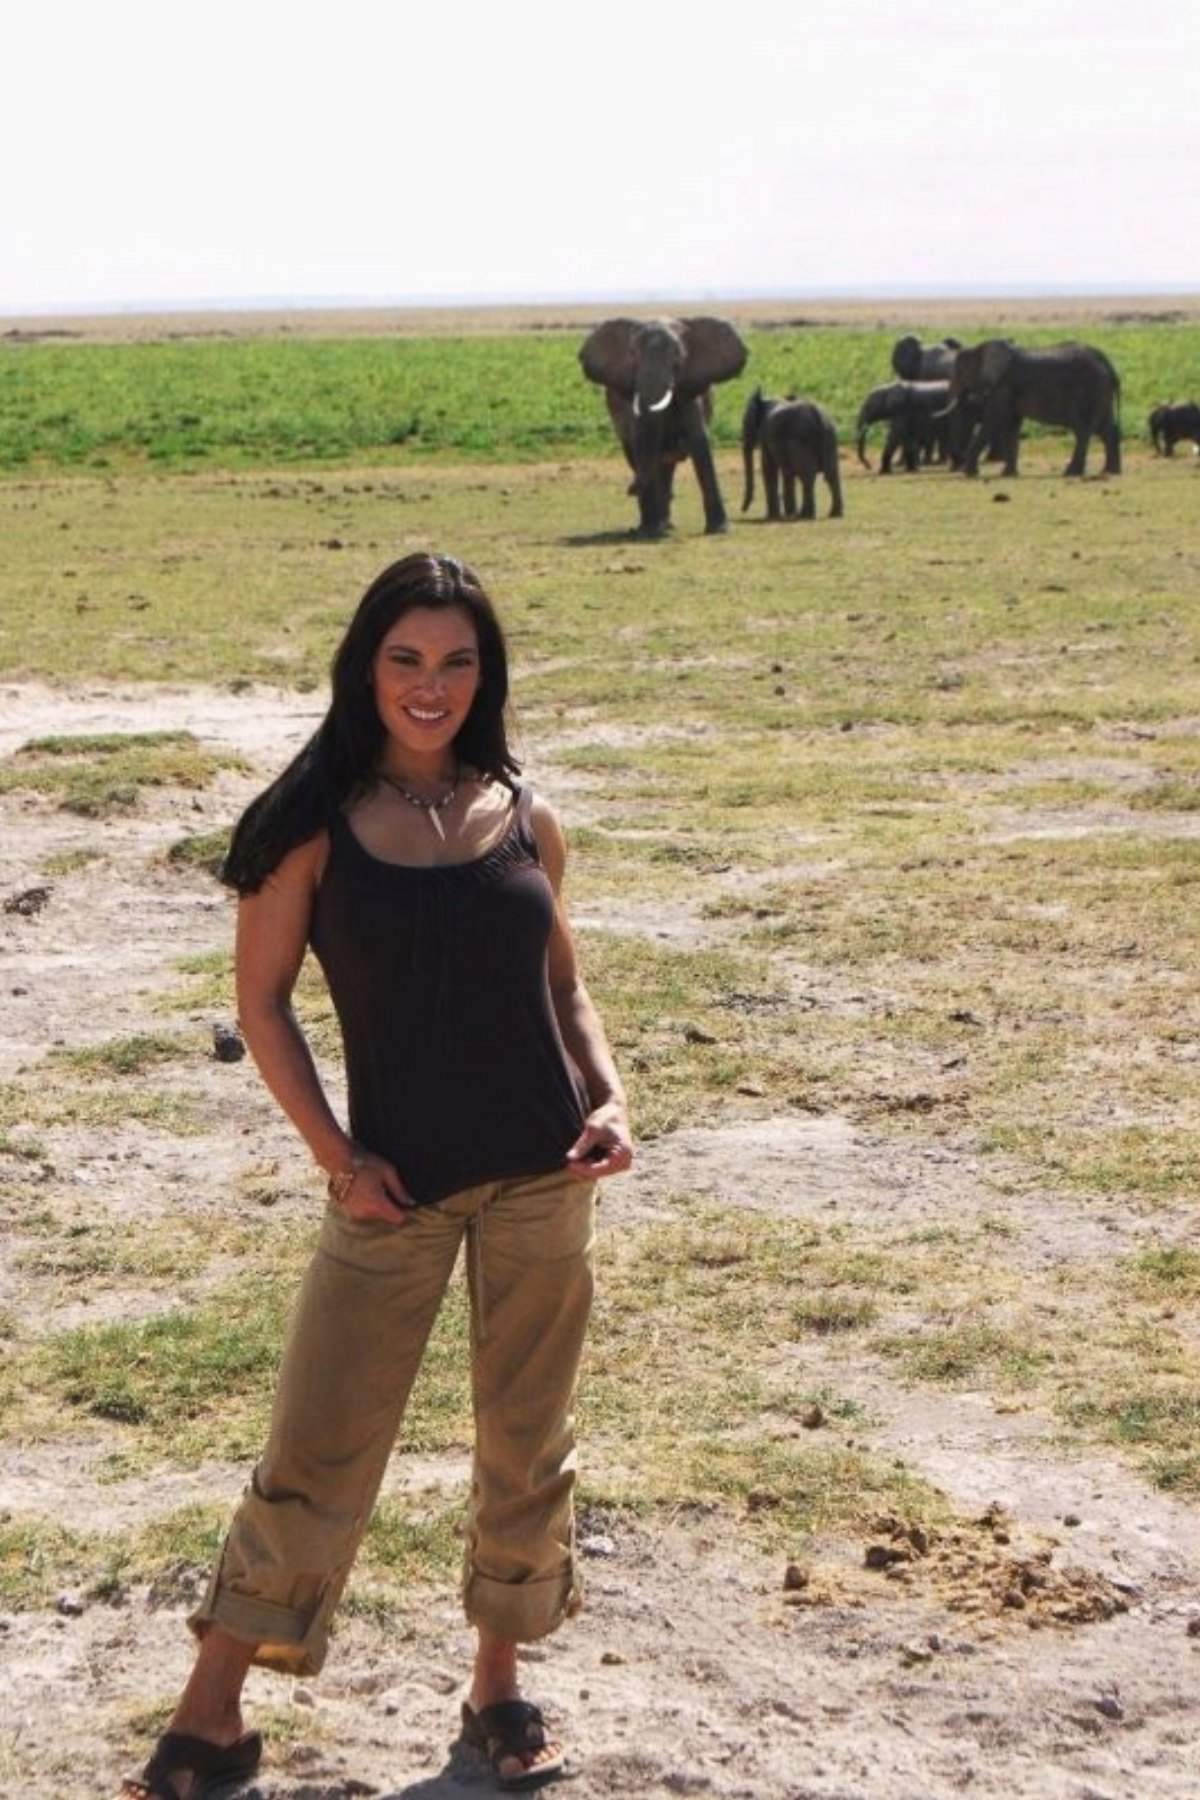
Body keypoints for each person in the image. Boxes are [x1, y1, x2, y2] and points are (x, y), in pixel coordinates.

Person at [119, 552, 633, 1799]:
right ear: (365, 668)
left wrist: (610, 1095)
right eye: (406, 659)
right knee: (319, 1446)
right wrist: (338, 1158)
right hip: (390, 1192)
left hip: (545, 1176)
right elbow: (262, 1003)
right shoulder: (312, 824)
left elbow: (563, 985)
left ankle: (497, 1688)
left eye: (457, 661)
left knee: (527, 1443)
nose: (431, 685)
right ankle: (211, 1713)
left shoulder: (524, 813)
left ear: (485, 674)